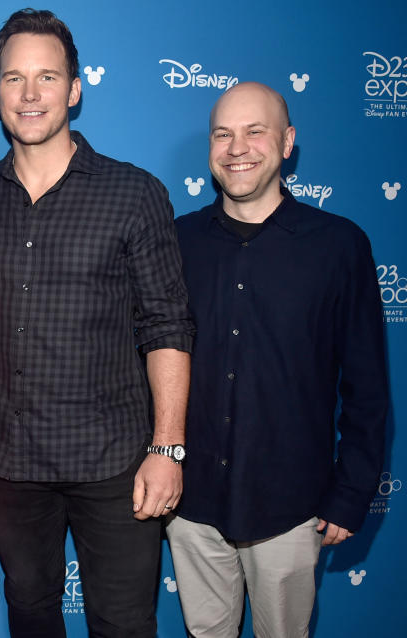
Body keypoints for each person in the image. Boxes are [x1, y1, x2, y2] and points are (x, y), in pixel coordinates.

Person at [0, 9, 195, 637]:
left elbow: (168, 326)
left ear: (74, 89)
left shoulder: (134, 193)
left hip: (115, 462)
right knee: (31, 616)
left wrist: (168, 446)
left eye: (46, 77)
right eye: (14, 78)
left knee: (124, 624)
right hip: (9, 460)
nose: (29, 94)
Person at [166, 81, 388, 638]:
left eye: (254, 131)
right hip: (191, 504)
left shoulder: (339, 246)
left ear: (287, 142)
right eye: (223, 134)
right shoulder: (175, 242)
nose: (237, 147)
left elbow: (367, 385)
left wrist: (351, 492)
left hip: (292, 507)